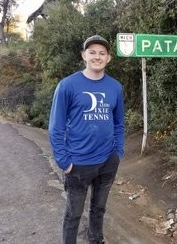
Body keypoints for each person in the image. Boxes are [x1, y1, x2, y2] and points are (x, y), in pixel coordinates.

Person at [48, 34, 125, 244]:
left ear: (108, 58)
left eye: (102, 53)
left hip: (107, 161)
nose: (97, 57)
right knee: (73, 215)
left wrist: (117, 152)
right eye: (92, 52)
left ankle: (95, 241)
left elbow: (119, 123)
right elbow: (56, 127)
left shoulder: (115, 87)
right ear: (84, 55)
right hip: (78, 165)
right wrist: (64, 162)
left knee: (99, 210)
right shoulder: (67, 86)